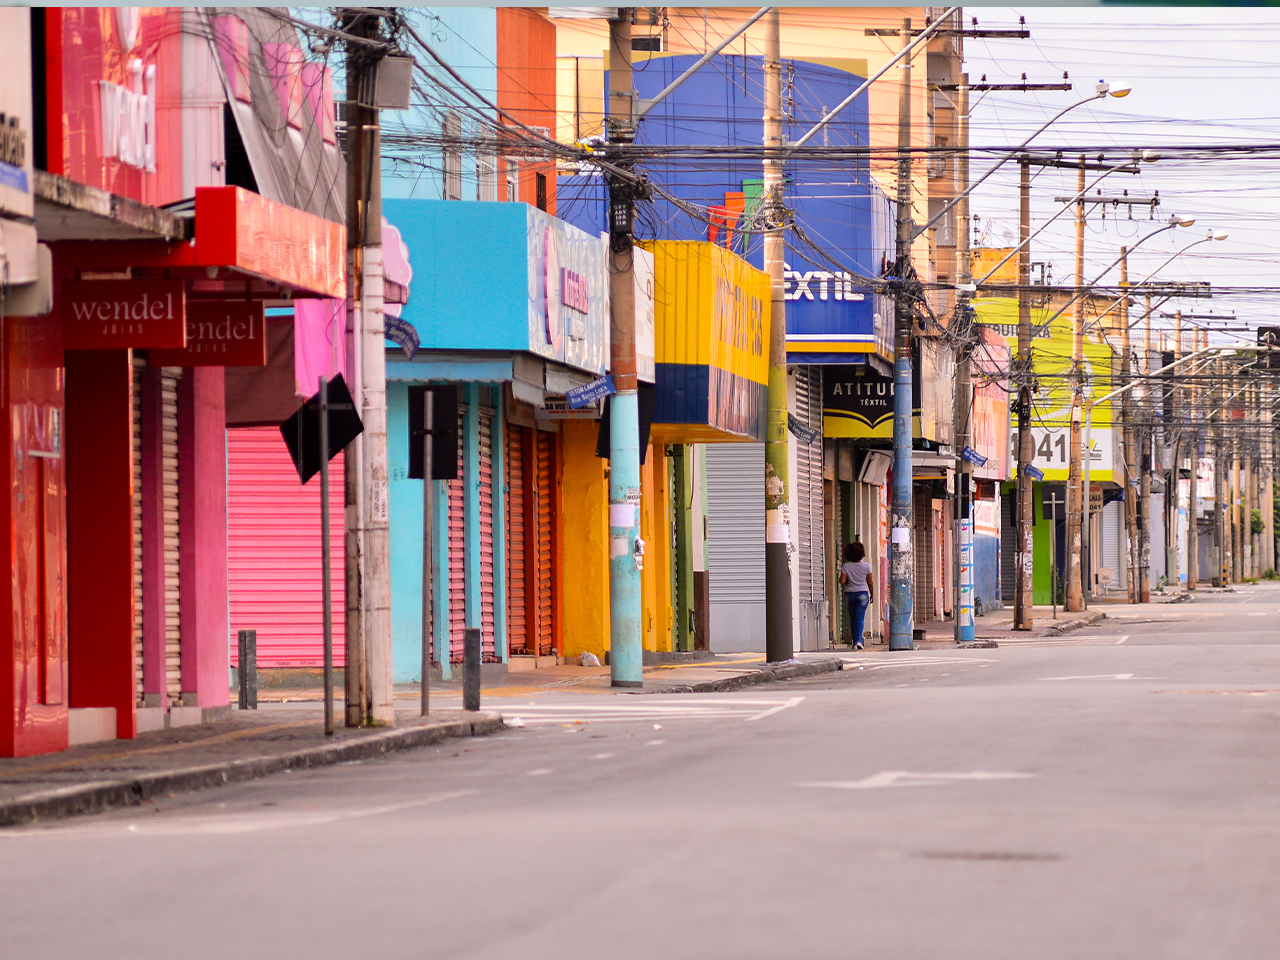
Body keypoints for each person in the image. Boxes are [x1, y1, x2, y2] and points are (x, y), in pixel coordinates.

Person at [840, 541, 874, 650]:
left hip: (850, 594)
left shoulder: (846, 566)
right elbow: (870, 582)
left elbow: (842, 581)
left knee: (853, 619)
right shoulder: (867, 566)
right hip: (863, 594)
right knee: (860, 618)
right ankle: (858, 641)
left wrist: (847, 579)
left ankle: (855, 642)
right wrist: (872, 594)